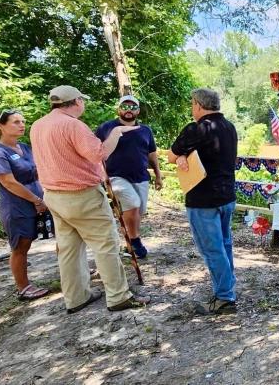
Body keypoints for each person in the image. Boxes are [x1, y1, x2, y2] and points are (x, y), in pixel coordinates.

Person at [30, 85, 148, 313]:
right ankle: (119, 296)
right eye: (81, 100)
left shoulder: (38, 125)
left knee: (68, 249)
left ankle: (76, 297)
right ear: (75, 102)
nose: (83, 104)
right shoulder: (73, 125)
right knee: (106, 244)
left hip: (53, 195)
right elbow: (98, 154)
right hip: (81, 194)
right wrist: (116, 134)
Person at [168, 88, 238, 315]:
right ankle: (227, 288)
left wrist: (179, 156)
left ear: (198, 105)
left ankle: (225, 297)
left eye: (192, 104)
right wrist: (181, 157)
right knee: (224, 244)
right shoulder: (229, 127)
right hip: (227, 196)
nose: (192, 108)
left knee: (212, 250)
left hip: (203, 199)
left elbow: (170, 155)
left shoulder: (196, 129)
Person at [0, 109, 51, 301]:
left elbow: (40, 169)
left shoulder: (25, 147)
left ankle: (74, 271)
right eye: (16, 122)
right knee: (21, 246)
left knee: (63, 235)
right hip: (17, 206)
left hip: (41, 201)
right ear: (0, 125)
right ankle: (23, 287)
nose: (22, 125)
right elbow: (9, 182)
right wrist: (36, 200)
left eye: (23, 121)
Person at [95, 95, 162, 259]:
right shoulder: (107, 127)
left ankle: (129, 246)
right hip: (116, 176)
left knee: (138, 211)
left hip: (141, 176)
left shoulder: (145, 130)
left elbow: (152, 154)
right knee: (132, 204)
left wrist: (158, 176)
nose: (128, 110)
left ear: (138, 111)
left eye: (133, 107)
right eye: (125, 106)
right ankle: (135, 241)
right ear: (119, 109)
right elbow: (95, 150)